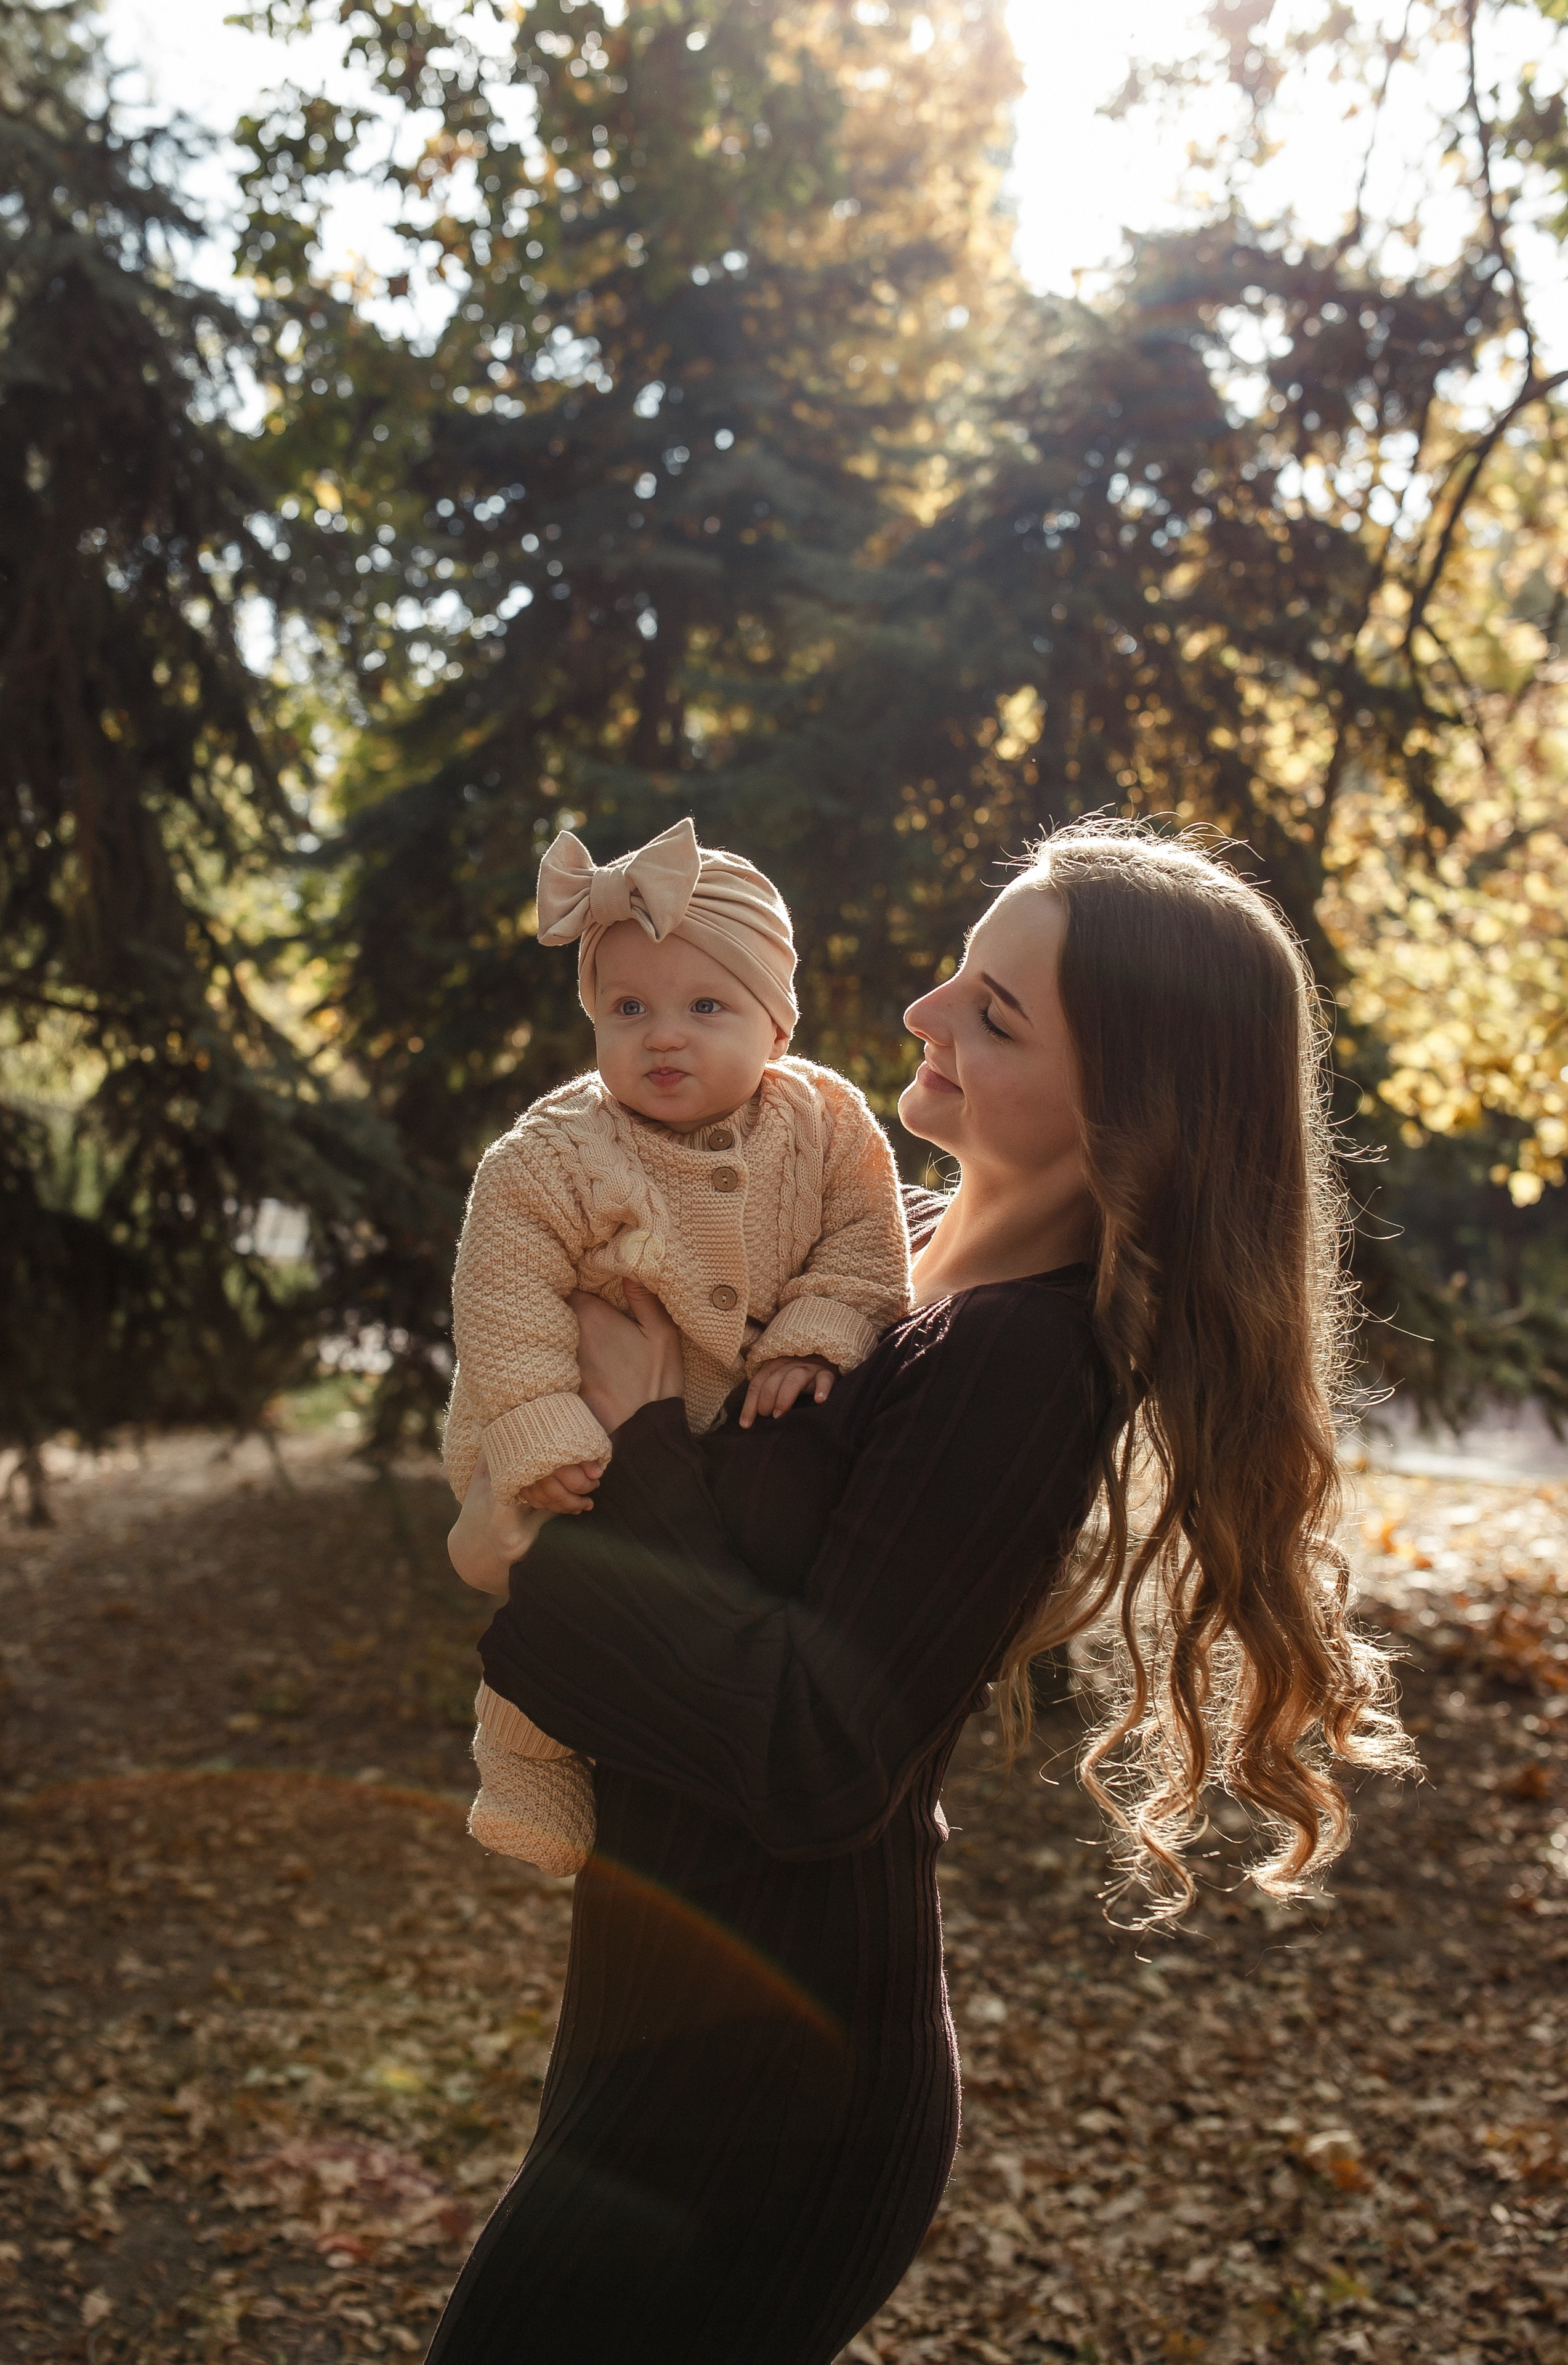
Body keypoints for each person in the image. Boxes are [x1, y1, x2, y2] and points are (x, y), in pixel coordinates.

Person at [433, 822, 1410, 2365]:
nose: (922, 1014)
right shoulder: (881, 1262)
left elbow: (820, 1756)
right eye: (961, 971)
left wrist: (619, 1443)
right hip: (668, 2003)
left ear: (1132, 1111)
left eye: (995, 1013)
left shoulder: (1020, 1363)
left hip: (775, 2084)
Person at [444, 815, 911, 1874]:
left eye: (706, 1007)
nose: (663, 1035)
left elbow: (865, 1245)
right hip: (576, 1423)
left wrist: (818, 1332)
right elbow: (504, 1292)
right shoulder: (549, 1156)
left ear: (779, 1029)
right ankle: (522, 1757)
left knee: (667, 1609)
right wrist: (541, 1423)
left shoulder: (831, 1125)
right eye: (628, 1009)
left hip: (716, 1438)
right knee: (556, 1584)